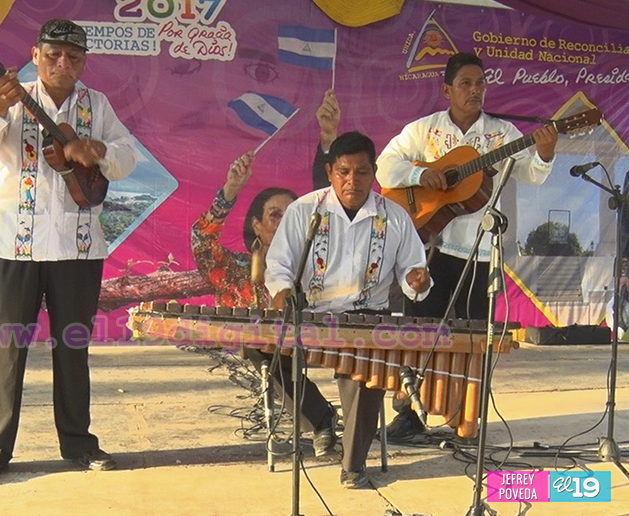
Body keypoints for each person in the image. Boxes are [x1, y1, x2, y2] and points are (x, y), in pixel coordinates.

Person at [0, 19, 137, 484]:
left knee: (73, 351)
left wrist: (94, 149)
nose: (64, 64)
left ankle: (78, 443)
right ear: (35, 54)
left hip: (78, 251)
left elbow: (126, 156)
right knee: (5, 352)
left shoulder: (95, 104)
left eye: (74, 57)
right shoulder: (10, 97)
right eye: (54, 54)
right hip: (13, 248)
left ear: (83, 62)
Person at [374, 52, 558, 438]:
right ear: (447, 90)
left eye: (481, 84)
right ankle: (409, 412)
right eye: (466, 84)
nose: (475, 91)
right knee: (421, 330)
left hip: (480, 250)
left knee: (475, 337)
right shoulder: (423, 131)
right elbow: (385, 167)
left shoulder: (503, 133)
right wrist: (421, 174)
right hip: (429, 244)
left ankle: (464, 413)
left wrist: (543, 154)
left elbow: (530, 174)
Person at [266, 131, 431, 489]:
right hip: (310, 314)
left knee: (368, 369)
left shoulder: (396, 217)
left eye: (361, 172)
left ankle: (353, 464)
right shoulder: (303, 211)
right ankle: (320, 418)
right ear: (330, 172)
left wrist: (416, 281)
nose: (351, 181)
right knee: (263, 349)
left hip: (368, 318)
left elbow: (412, 271)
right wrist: (281, 293)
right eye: (343, 171)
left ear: (374, 173)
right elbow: (278, 265)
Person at [191, 151, 338, 457]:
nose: (285, 221)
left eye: (292, 214)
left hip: (318, 337)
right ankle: (322, 419)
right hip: (268, 351)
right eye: (275, 214)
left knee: (265, 347)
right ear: (256, 225)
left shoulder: (317, 265)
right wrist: (230, 190)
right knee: (257, 346)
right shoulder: (239, 270)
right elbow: (202, 243)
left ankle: (329, 419)